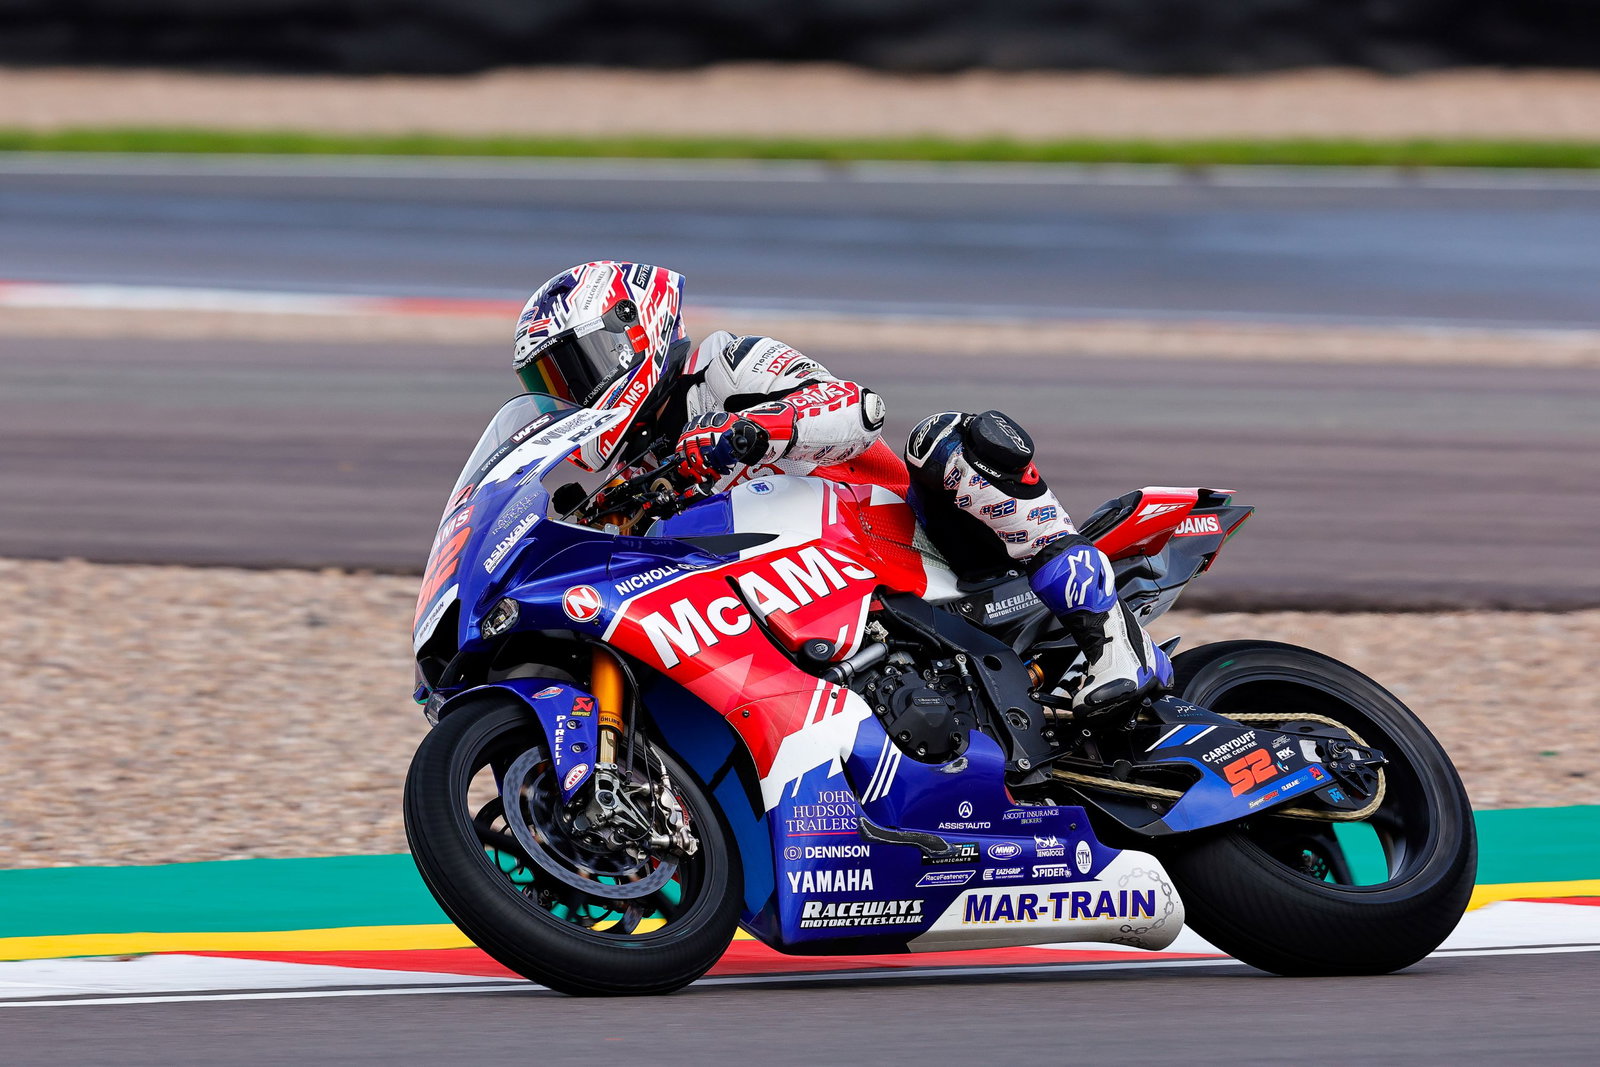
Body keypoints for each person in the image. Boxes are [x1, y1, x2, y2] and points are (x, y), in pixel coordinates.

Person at [512, 260, 1168, 714]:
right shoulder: (630, 482)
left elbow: (856, 408)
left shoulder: (727, 365)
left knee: (945, 440)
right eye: (552, 387)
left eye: (576, 369)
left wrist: (751, 431)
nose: (571, 395)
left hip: (902, 547)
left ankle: (1112, 642)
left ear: (635, 330)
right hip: (782, 617)